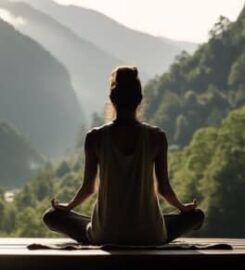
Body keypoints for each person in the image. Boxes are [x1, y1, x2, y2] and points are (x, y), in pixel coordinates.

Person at [43, 65, 204, 245]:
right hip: (150, 236)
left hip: (105, 235)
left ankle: (105, 228)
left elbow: (88, 188)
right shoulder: (157, 137)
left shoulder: (95, 137)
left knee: (51, 216)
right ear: (140, 99)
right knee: (196, 216)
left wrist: (68, 207)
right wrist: (183, 207)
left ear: (111, 98)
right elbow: (164, 189)